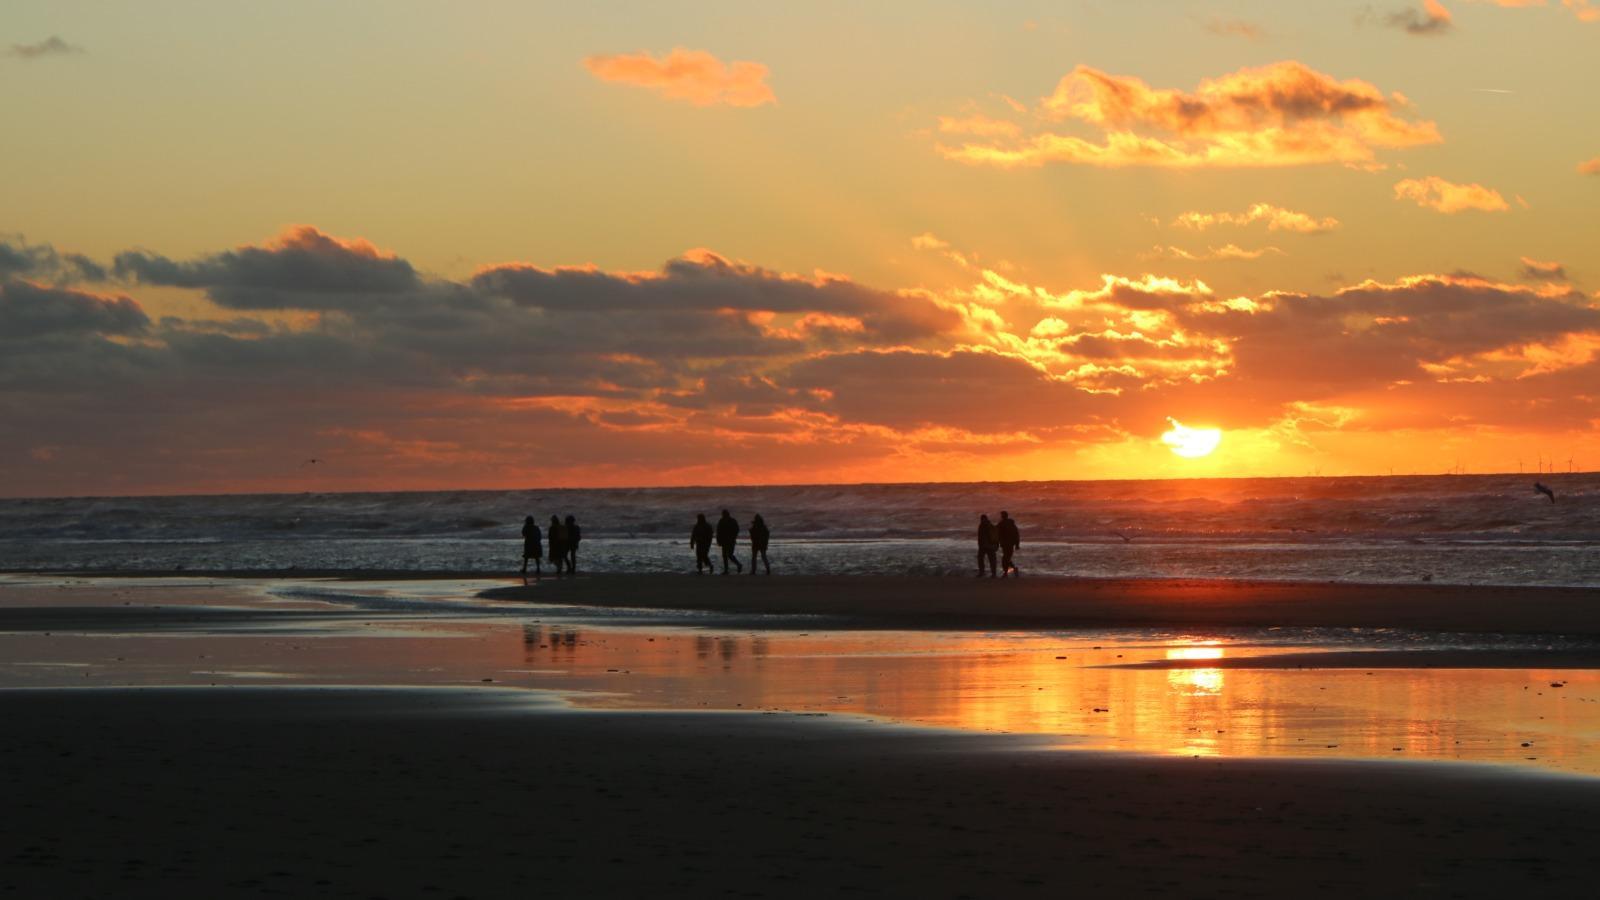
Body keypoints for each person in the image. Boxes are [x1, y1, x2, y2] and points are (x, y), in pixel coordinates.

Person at [716, 509, 743, 575]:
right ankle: (728, 569)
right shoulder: (730, 521)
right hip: (727, 541)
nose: (723, 515)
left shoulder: (723, 521)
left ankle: (736, 566)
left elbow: (719, 531)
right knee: (727, 555)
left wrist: (719, 540)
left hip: (728, 540)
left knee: (728, 555)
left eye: (723, 514)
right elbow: (719, 531)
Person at [997, 510, 1021, 578]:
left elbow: (996, 532)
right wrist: (1017, 544)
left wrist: (1017, 544)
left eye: (1002, 515)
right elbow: (1016, 534)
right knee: (1006, 558)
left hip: (1007, 544)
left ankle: (1006, 572)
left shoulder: (1002, 524)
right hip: (1008, 544)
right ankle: (1012, 569)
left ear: (1003, 516)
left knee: (1005, 558)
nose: (1001, 516)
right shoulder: (1010, 524)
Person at [976, 514, 998, 578]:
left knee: (981, 559)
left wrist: (981, 545)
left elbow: (981, 537)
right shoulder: (990, 525)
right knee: (991, 560)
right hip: (989, 546)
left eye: (982, 519)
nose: (981, 520)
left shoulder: (983, 525)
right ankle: (993, 574)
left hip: (985, 546)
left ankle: (982, 573)